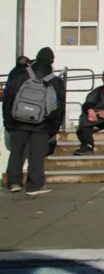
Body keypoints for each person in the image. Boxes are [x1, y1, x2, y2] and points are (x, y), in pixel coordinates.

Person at [3, 47, 65, 196]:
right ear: (51, 61)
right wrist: (54, 128)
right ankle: (34, 186)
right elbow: (59, 106)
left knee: (16, 152)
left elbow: (8, 96)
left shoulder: (20, 74)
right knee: (37, 154)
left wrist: (8, 120)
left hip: (17, 121)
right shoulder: (55, 80)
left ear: (36, 58)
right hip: (42, 124)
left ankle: (14, 182)